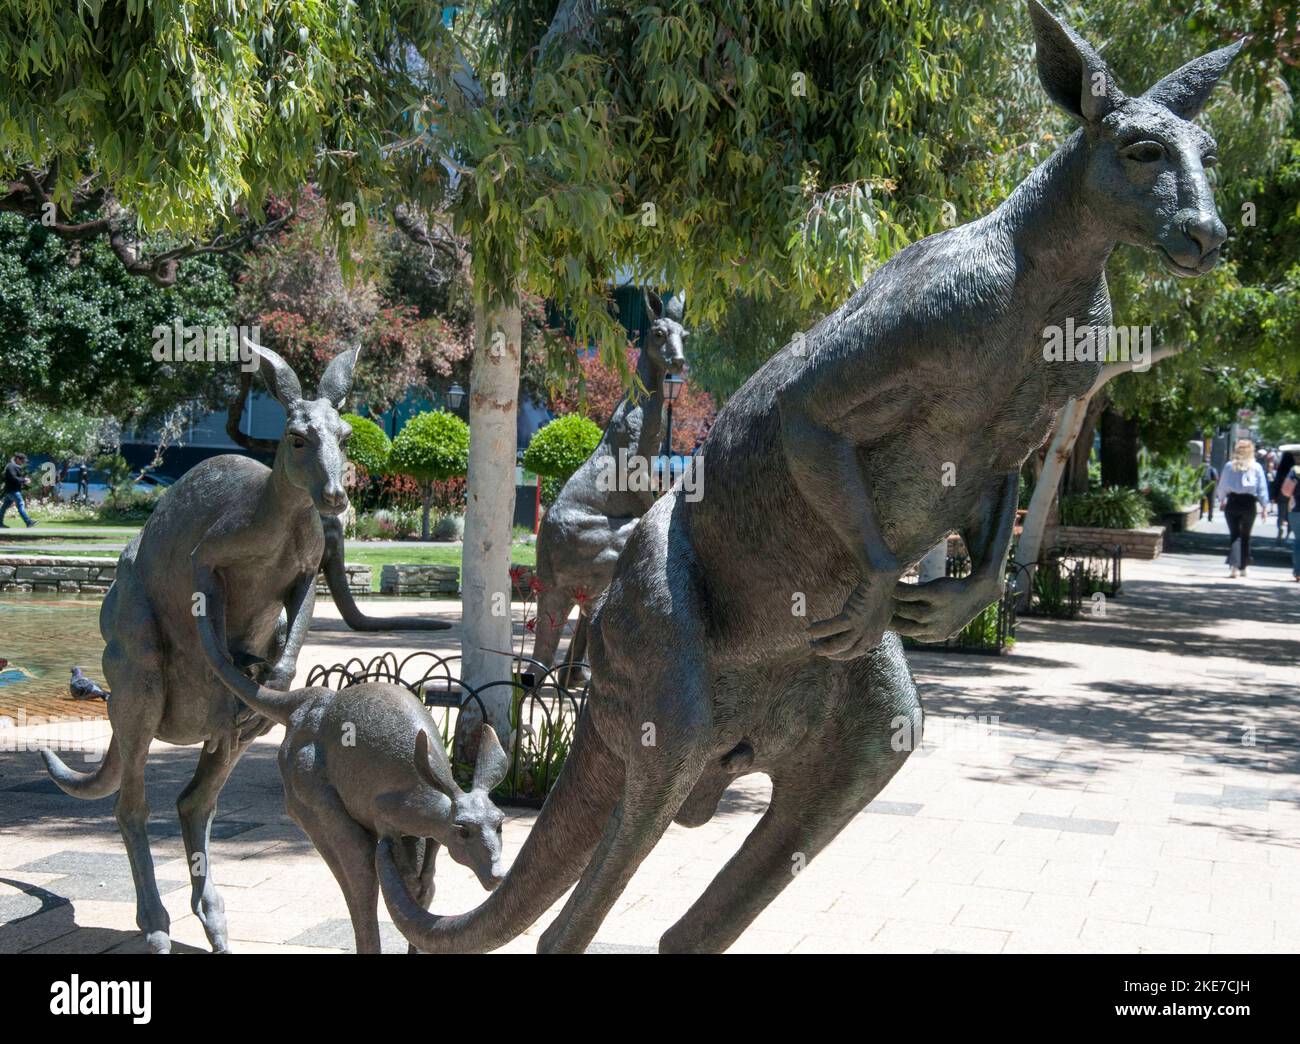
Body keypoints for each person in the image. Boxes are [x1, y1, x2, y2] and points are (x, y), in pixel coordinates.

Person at [1216, 439, 1269, 578]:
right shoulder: (1256, 467)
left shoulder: (1229, 466)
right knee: (1245, 535)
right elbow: (1262, 488)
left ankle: (1235, 566)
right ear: (1251, 450)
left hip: (1233, 501)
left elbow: (1222, 485)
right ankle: (1243, 567)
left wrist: (1221, 499)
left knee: (1235, 534)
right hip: (1249, 503)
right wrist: (1264, 506)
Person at [0, 451, 37, 528]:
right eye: (22, 460)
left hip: (10, 491)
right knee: (20, 504)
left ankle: (0, 524)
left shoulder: (13, 466)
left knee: (3, 508)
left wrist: (24, 482)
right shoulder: (11, 466)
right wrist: (24, 480)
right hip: (13, 491)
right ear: (17, 459)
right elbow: (13, 478)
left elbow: (15, 479)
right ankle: (28, 522)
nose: (23, 462)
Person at [1273, 450, 1295, 542]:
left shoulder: (1281, 469)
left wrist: (1274, 495)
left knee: (1281, 513)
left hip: (1281, 493)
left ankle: (1280, 528)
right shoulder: (1294, 470)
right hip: (1293, 494)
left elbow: (1276, 482)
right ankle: (1288, 533)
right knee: (1290, 514)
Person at [1199, 456, 1219, 522]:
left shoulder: (1202, 470)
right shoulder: (1212, 469)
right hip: (1211, 488)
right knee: (1210, 503)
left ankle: (1200, 515)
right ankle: (1210, 517)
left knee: (1202, 501)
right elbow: (1216, 478)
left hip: (1204, 487)